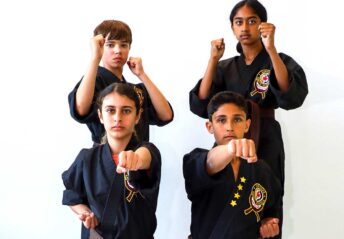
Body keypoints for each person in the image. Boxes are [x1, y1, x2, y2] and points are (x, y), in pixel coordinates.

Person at [189, 0, 308, 235]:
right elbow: (201, 102)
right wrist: (213, 59)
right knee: (224, 190)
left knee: (266, 192)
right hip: (229, 138)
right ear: (232, 27)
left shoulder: (278, 60)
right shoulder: (225, 65)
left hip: (265, 135)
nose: (245, 28)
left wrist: (271, 48)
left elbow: (289, 95)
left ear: (264, 25)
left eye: (252, 21)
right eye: (238, 22)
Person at [62, 83, 161, 238]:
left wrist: (135, 159)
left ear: (137, 116)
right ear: (100, 116)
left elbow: (145, 157)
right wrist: (85, 213)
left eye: (126, 110)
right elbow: (72, 195)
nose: (117, 118)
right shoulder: (87, 158)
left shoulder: (148, 152)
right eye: (110, 110)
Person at [183, 91, 282, 239]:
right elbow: (209, 163)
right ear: (210, 126)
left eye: (237, 119)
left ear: (247, 125)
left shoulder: (262, 170)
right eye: (221, 120)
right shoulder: (195, 160)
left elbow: (271, 210)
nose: (229, 127)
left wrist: (268, 224)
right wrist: (230, 149)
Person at [69, 20, 173, 145]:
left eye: (124, 45)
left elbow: (166, 115)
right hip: (106, 156)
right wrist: (95, 58)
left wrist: (142, 75)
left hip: (140, 156)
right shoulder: (94, 80)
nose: (118, 50)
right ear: (100, 46)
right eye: (110, 45)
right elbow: (80, 109)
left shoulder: (136, 90)